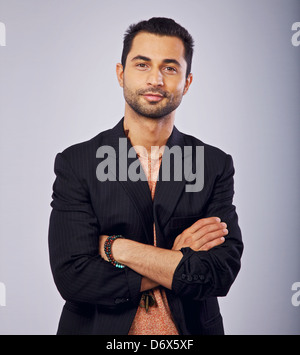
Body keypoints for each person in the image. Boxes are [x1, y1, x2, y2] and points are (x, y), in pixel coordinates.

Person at [48, 17, 243, 335]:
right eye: (142, 65)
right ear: (120, 73)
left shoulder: (213, 164)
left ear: (187, 82)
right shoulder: (78, 162)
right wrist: (177, 260)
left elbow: (219, 273)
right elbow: (74, 277)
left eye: (170, 68)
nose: (156, 79)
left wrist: (117, 248)